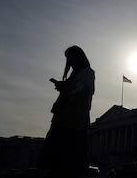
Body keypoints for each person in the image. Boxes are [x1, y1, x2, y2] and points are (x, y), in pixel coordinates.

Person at [39, 45, 95, 178]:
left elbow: (80, 91)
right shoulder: (75, 74)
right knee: (56, 155)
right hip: (63, 118)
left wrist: (64, 87)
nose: (70, 62)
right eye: (68, 59)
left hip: (74, 121)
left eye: (71, 58)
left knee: (70, 157)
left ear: (78, 57)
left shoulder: (87, 72)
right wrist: (63, 86)